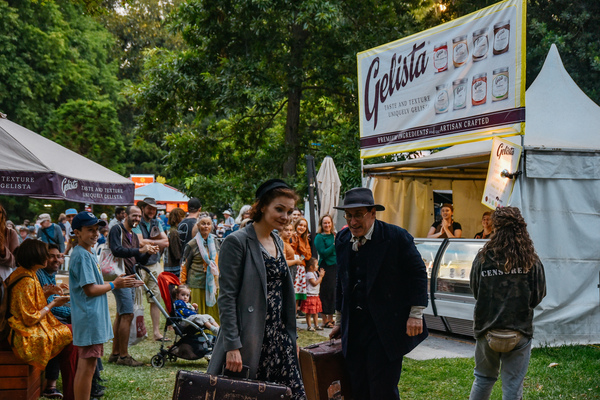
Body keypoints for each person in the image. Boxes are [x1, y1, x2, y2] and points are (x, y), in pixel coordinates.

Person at [207, 179, 306, 400]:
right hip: (250, 339)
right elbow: (227, 297)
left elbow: (282, 294)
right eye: (279, 209)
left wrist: (292, 339)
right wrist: (232, 346)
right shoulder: (237, 241)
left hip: (279, 339)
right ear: (262, 206)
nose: (286, 216)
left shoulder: (278, 241)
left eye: (289, 211)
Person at [329, 187, 428, 400]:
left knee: (382, 389)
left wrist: (415, 314)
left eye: (358, 215)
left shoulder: (396, 237)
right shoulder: (343, 238)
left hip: (385, 328)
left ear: (373, 213)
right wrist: (340, 320)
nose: (352, 221)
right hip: (355, 327)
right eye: (348, 215)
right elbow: (342, 279)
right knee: (357, 386)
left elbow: (418, 273)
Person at [469, 206, 546, 400]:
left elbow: (476, 290)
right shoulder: (532, 260)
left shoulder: (482, 258)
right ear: (521, 228)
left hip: (487, 330)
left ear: (496, 228)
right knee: (513, 385)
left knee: (483, 379)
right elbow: (538, 295)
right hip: (519, 331)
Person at [69, 211, 143, 400]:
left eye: (97, 230)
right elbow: (90, 289)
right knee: (87, 367)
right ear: (77, 232)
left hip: (91, 317)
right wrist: (114, 285)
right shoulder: (82, 255)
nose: (95, 234)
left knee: (88, 366)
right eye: (89, 230)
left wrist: (120, 282)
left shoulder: (88, 252)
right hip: (89, 317)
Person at [7, 240, 73, 399]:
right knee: (71, 334)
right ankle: (66, 387)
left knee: (70, 332)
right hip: (23, 332)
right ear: (35, 256)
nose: (48, 258)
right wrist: (53, 304)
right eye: (46, 255)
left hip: (24, 325)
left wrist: (47, 294)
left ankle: (60, 385)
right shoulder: (27, 279)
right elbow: (31, 318)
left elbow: (32, 304)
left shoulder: (26, 273)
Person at [108, 205, 158, 366]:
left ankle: (115, 353)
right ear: (126, 216)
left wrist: (147, 253)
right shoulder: (117, 230)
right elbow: (116, 250)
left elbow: (138, 260)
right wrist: (140, 249)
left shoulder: (134, 236)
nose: (137, 219)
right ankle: (124, 356)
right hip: (121, 277)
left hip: (130, 276)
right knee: (128, 314)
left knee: (122, 314)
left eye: (139, 216)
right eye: (134, 216)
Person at [133, 197, 169, 341]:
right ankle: (137, 331)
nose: (152, 211)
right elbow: (139, 241)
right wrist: (153, 243)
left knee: (156, 298)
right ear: (143, 208)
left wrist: (149, 242)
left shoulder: (157, 222)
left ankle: (156, 332)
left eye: (154, 209)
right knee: (137, 300)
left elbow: (166, 242)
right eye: (149, 208)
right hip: (139, 265)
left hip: (154, 264)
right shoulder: (136, 222)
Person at [180, 213, 220, 323]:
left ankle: (213, 335)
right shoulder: (192, 244)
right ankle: (199, 336)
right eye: (203, 224)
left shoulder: (215, 241)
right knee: (198, 314)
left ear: (211, 226)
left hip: (212, 283)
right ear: (198, 226)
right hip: (196, 283)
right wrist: (182, 285)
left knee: (214, 313)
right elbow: (184, 265)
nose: (206, 226)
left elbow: (218, 261)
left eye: (208, 224)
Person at [314, 214, 337, 328]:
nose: (327, 225)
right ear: (321, 225)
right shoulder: (319, 237)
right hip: (325, 266)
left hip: (335, 266)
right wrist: (334, 245)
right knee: (325, 292)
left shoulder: (334, 235)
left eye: (329, 222)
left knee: (334, 292)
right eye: (325, 223)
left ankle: (331, 318)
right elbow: (323, 252)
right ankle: (324, 320)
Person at [291, 217, 311, 313]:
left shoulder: (305, 240)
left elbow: (307, 255)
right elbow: (291, 251)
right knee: (291, 295)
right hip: (292, 266)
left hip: (300, 268)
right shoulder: (291, 236)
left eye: (304, 226)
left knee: (297, 297)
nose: (302, 227)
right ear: (296, 225)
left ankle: (294, 320)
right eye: (300, 225)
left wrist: (300, 257)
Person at [300, 258, 324, 332]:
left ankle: (316, 325)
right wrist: (321, 276)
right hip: (310, 295)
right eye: (316, 265)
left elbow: (318, 282)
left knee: (315, 312)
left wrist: (320, 276)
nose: (318, 266)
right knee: (309, 312)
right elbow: (314, 283)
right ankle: (309, 326)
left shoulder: (314, 273)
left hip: (315, 295)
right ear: (311, 266)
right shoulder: (309, 274)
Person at [0, 204, 19, 280]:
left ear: (3, 215)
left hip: (3, 276)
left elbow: (15, 262)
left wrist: (3, 251)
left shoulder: (10, 233)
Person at [165, 207, 186, 277]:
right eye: (183, 217)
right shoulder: (174, 232)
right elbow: (176, 250)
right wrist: (181, 259)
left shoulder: (171, 230)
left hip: (170, 264)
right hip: (173, 266)